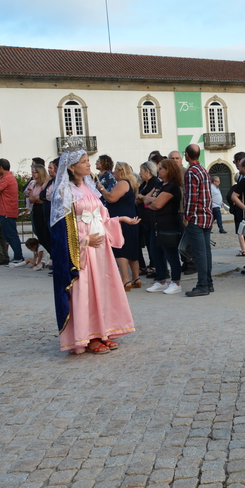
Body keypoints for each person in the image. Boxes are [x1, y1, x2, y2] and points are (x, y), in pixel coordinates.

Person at [49, 149, 139, 355]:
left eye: (88, 161)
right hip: (82, 250)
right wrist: (84, 240)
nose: (89, 165)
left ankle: (103, 332)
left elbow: (101, 216)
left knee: (103, 289)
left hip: (101, 250)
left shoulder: (90, 188)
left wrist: (119, 220)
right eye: (83, 162)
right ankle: (87, 336)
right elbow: (59, 229)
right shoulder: (64, 191)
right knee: (86, 291)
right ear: (72, 168)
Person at [143, 159, 185, 294]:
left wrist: (151, 201)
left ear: (168, 170)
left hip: (168, 225)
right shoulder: (160, 185)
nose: (158, 170)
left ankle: (176, 282)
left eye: (161, 168)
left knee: (171, 255)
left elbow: (157, 205)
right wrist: (151, 200)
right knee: (156, 254)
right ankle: (161, 280)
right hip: (156, 224)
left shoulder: (172, 186)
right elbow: (145, 199)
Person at [98, 161, 141, 290]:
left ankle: (126, 280)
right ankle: (136, 278)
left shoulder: (123, 183)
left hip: (123, 221)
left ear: (121, 171)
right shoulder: (131, 183)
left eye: (115, 170)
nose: (113, 172)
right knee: (132, 249)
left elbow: (112, 198)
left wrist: (101, 189)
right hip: (130, 218)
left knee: (121, 249)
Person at [182, 144, 214, 296]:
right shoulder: (203, 170)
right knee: (206, 252)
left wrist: (187, 216)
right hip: (206, 215)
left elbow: (191, 198)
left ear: (187, 155)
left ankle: (202, 285)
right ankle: (208, 283)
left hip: (196, 217)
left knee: (199, 253)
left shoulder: (191, 172)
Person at [0, 158, 25, 267]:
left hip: (7, 211)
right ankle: (15, 255)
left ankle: (18, 256)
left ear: (1, 167)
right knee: (6, 234)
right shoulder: (7, 178)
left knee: (11, 234)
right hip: (4, 211)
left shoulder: (7, 178)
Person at [136, 161, 161, 277]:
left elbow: (149, 198)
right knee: (148, 243)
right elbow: (138, 198)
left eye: (141, 171)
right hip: (143, 217)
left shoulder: (155, 182)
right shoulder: (143, 184)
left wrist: (143, 198)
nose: (140, 173)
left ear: (148, 171)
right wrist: (141, 198)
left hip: (151, 216)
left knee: (153, 243)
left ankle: (155, 266)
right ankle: (152, 265)